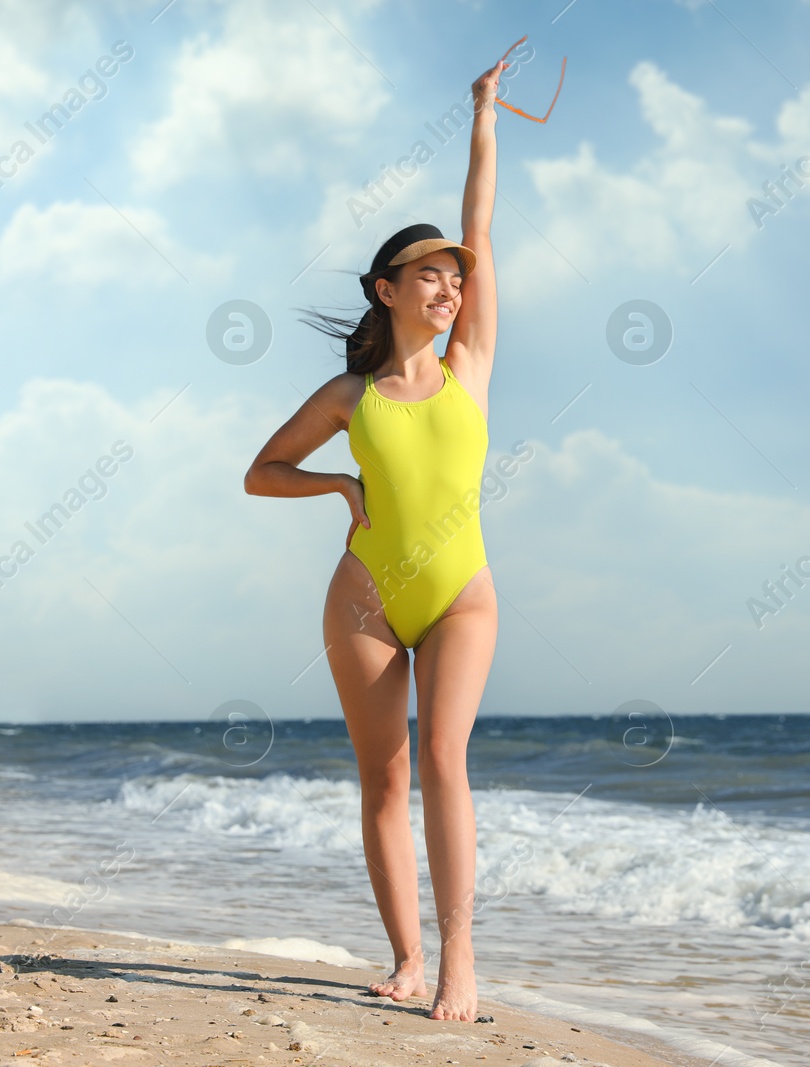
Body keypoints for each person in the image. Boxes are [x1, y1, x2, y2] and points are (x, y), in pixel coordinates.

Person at [243, 55, 508, 1022]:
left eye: (453, 279)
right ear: (386, 290)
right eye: (429, 276)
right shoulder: (350, 398)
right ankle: (404, 957)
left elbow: (481, 223)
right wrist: (335, 484)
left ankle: (459, 962)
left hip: (459, 594)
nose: (448, 287)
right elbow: (259, 470)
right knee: (383, 776)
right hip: (362, 597)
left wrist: (482, 113)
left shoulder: (469, 364)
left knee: (443, 757)